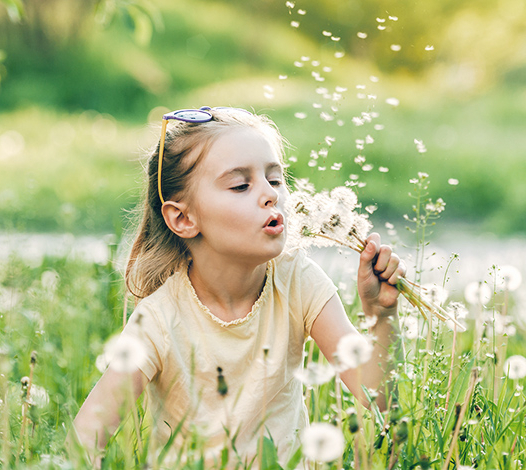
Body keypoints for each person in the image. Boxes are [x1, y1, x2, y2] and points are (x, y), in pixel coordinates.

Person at [69, 106, 405, 468]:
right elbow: (86, 439)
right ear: (183, 218)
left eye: (275, 180)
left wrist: (381, 315)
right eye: (241, 185)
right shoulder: (159, 318)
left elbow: (377, 399)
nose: (270, 195)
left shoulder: (296, 280)